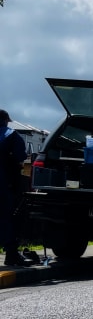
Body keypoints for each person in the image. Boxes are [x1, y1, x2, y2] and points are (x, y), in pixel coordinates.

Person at [0, 109, 29, 267]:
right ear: (6, 121)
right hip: (5, 183)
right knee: (8, 217)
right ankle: (11, 254)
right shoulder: (12, 135)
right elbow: (21, 156)